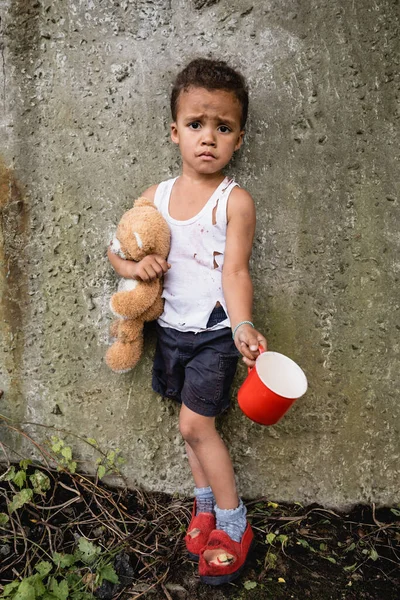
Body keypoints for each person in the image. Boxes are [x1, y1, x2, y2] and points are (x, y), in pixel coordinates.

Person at [108, 58, 267, 585]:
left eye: (222, 128)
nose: (208, 138)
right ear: (174, 131)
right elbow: (118, 251)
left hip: (214, 335)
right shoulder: (154, 198)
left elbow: (237, 271)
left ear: (238, 138)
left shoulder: (233, 201)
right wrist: (137, 266)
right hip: (169, 332)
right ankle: (204, 507)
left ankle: (233, 523)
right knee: (188, 431)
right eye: (196, 125)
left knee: (197, 426)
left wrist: (242, 325)